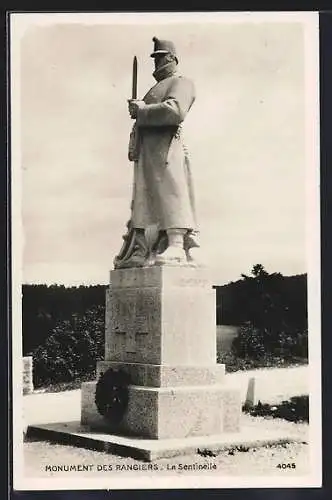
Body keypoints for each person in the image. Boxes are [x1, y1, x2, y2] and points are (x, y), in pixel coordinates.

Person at [114, 37, 200, 269]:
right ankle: (150, 246)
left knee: (172, 191)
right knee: (148, 200)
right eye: (155, 57)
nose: (157, 61)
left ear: (172, 58)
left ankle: (177, 243)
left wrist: (142, 110)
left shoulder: (182, 83)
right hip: (148, 154)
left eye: (161, 56)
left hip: (167, 150)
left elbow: (176, 110)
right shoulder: (155, 88)